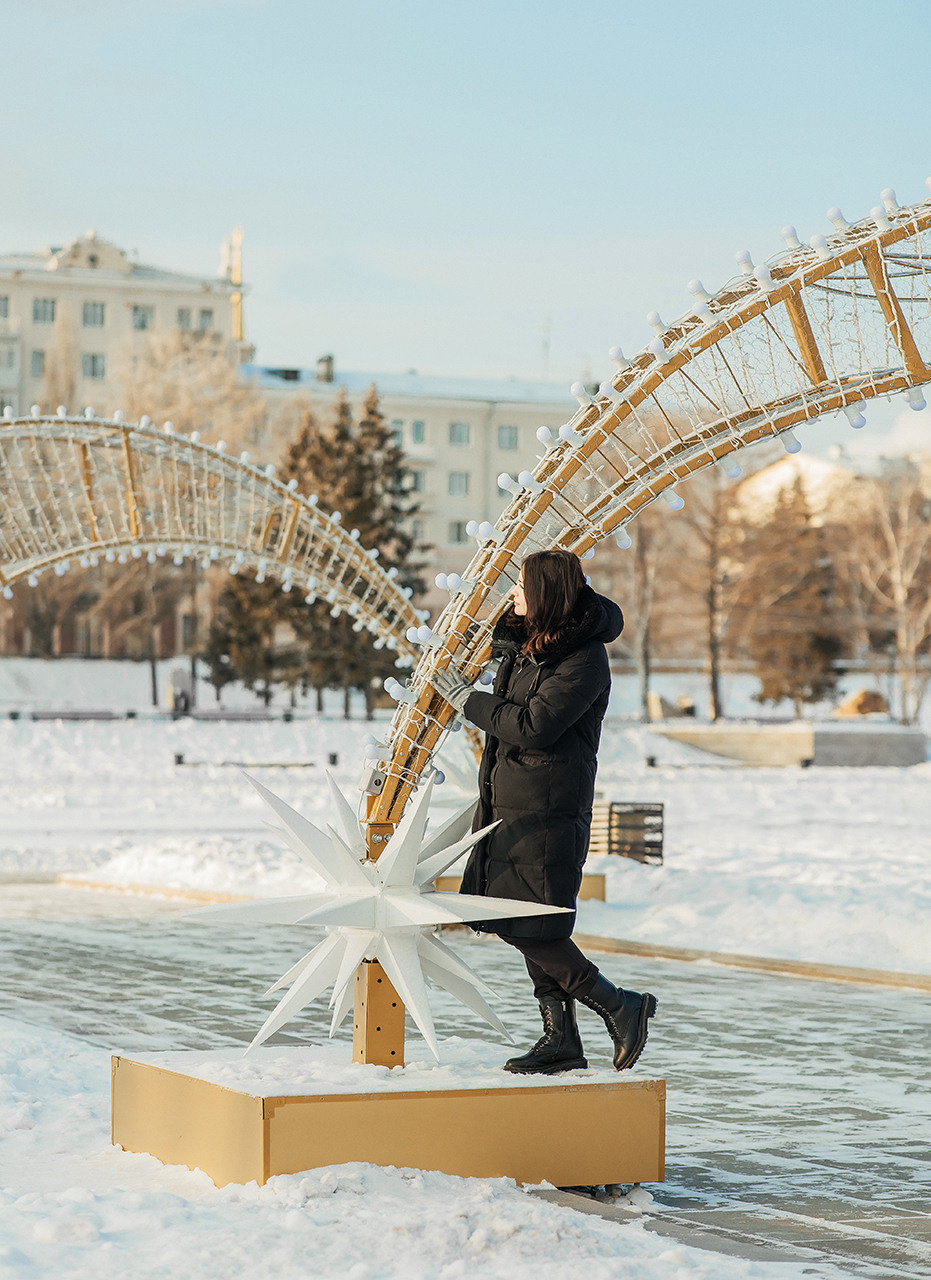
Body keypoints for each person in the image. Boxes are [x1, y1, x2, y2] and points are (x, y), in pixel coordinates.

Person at [433, 549, 656, 1075]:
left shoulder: (583, 658)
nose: (512, 594)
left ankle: (618, 1004)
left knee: (531, 923)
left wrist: (469, 700)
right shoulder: (535, 647)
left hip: (549, 808)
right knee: (523, 918)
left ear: (547, 594)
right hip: (512, 801)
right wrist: (506, 645)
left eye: (521, 587)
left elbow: (534, 726)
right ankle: (561, 1040)